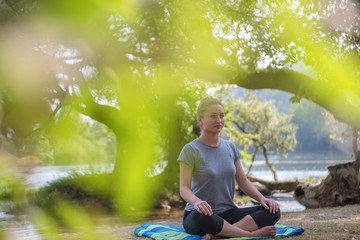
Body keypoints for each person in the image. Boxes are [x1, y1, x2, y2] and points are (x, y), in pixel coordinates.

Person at [178, 98, 280, 239]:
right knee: (203, 216)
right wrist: (197, 202)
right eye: (213, 116)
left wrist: (262, 199)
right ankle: (250, 234)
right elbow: (184, 188)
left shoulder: (230, 147)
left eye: (222, 115)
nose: (219, 120)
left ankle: (218, 236)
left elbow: (243, 181)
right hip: (200, 215)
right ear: (200, 120)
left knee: (273, 211)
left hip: (229, 213)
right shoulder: (190, 150)